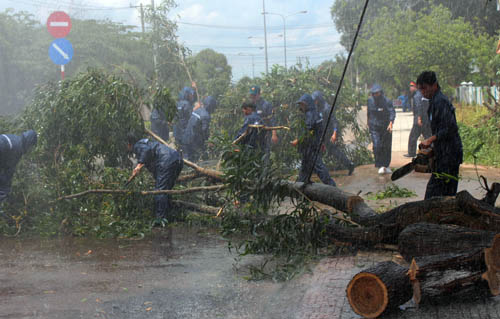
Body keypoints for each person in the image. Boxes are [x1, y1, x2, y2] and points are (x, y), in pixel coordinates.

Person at [417, 71, 463, 200]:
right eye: (420, 89)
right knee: (436, 193)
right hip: (442, 153)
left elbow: (450, 128)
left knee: (442, 194)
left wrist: (430, 139)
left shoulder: (440, 102)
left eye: (424, 88)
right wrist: (432, 146)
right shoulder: (433, 101)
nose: (423, 92)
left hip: (450, 154)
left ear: (434, 85)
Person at [128, 134, 183, 221]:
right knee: (166, 189)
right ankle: (169, 214)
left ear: (129, 144)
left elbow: (146, 151)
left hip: (166, 161)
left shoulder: (137, 146)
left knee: (160, 191)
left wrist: (138, 166)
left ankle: (160, 219)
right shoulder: (147, 142)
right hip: (177, 159)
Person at [291, 94, 336, 186]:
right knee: (305, 168)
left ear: (308, 104)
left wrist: (297, 141)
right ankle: (301, 187)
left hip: (310, 147)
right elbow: (319, 130)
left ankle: (332, 187)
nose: (301, 107)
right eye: (300, 105)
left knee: (319, 168)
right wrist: (321, 142)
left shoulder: (310, 115)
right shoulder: (315, 113)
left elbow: (307, 132)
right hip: (312, 145)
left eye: (302, 104)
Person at [312, 90, 355, 175]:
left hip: (328, 134)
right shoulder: (317, 108)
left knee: (334, 151)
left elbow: (334, 121)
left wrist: (334, 133)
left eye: (315, 100)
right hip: (321, 134)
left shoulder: (327, 108)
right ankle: (316, 169)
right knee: (317, 151)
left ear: (319, 99)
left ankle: (349, 164)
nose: (314, 102)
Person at [0, 130, 37, 203]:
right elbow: (8, 171)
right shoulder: (18, 148)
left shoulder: (16, 139)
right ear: (29, 142)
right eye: (31, 146)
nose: (30, 149)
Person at [367, 84, 396, 174]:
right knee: (376, 145)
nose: (376, 95)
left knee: (386, 147)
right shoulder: (370, 101)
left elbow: (392, 112)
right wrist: (368, 122)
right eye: (374, 93)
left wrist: (391, 123)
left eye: (377, 93)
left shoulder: (387, 101)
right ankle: (379, 164)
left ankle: (386, 165)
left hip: (385, 126)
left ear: (380, 92)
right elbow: (369, 113)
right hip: (374, 127)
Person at [404, 81, 432, 158]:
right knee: (428, 136)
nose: (410, 88)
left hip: (419, 120)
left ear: (415, 87)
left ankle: (411, 153)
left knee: (413, 137)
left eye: (411, 86)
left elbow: (419, 107)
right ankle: (432, 151)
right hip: (426, 119)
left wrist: (419, 118)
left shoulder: (417, 96)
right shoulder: (424, 94)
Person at [249, 85, 278, 155]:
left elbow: (272, 120)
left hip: (264, 134)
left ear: (259, 95)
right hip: (253, 134)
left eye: (254, 95)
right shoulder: (251, 106)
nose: (253, 97)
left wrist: (274, 134)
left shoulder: (266, 105)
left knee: (264, 154)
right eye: (251, 95)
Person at [182, 97, 211, 162]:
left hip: (186, 138)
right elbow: (204, 130)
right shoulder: (205, 115)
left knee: (187, 161)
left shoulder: (196, 111)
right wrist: (207, 141)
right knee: (194, 162)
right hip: (193, 141)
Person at [173, 87, 195, 152]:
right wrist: (196, 109)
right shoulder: (187, 104)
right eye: (190, 94)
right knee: (186, 151)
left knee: (179, 150)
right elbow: (190, 117)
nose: (192, 96)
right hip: (184, 131)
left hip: (177, 131)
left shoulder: (177, 103)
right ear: (187, 94)